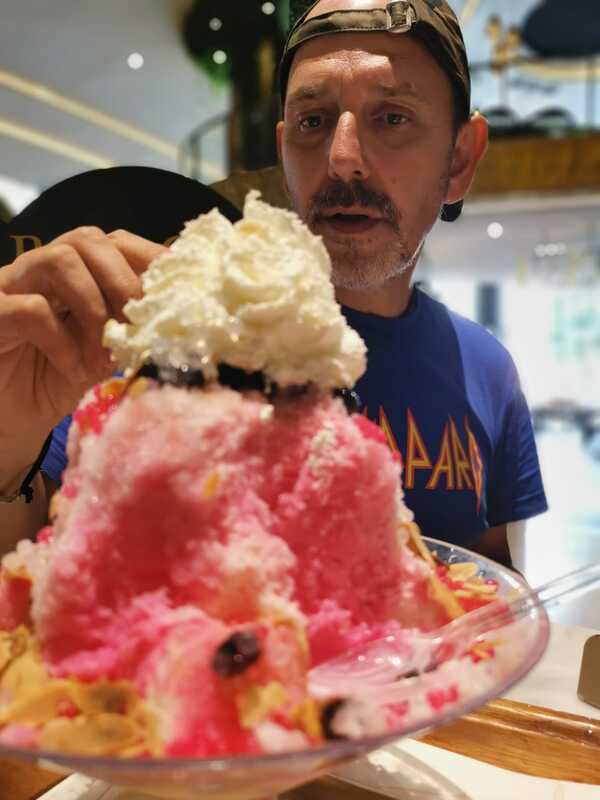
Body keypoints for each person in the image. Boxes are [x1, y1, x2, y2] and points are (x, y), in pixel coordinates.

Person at [0, 0, 546, 565]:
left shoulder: (490, 370)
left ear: (458, 160)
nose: (342, 158)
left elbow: (490, 583)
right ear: (284, 148)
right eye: (313, 121)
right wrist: (5, 443)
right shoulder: (165, 334)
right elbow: (32, 561)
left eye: (392, 118)